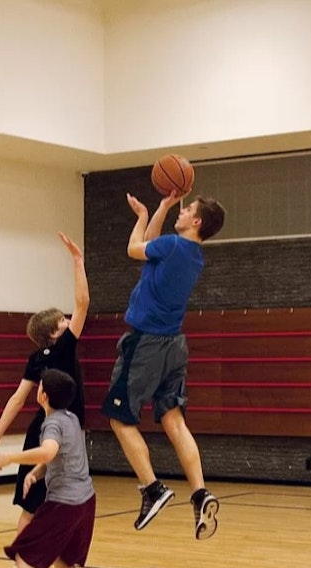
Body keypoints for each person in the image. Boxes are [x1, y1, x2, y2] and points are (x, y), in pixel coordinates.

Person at [101, 190, 226, 540]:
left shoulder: (172, 245)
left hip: (146, 343)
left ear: (196, 221)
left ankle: (152, 487)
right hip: (175, 345)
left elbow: (135, 247)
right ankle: (200, 492)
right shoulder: (192, 254)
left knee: (119, 418)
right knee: (173, 419)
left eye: (187, 209)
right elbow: (150, 247)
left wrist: (141, 217)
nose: (183, 211)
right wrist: (163, 206)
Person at [0, 231, 88, 568]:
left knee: (33, 505)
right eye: (63, 320)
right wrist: (77, 261)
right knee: (43, 505)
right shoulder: (64, 346)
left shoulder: (36, 358)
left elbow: (16, 398)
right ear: (55, 332)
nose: (69, 320)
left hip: (39, 432)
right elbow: (84, 303)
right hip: (57, 434)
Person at [0, 368, 96, 568]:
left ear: (43, 395)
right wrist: (37, 473)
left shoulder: (50, 424)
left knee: (24, 556)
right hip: (86, 500)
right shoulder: (71, 418)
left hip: (65, 503)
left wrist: (12, 458)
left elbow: (49, 450)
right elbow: (61, 454)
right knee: (63, 555)